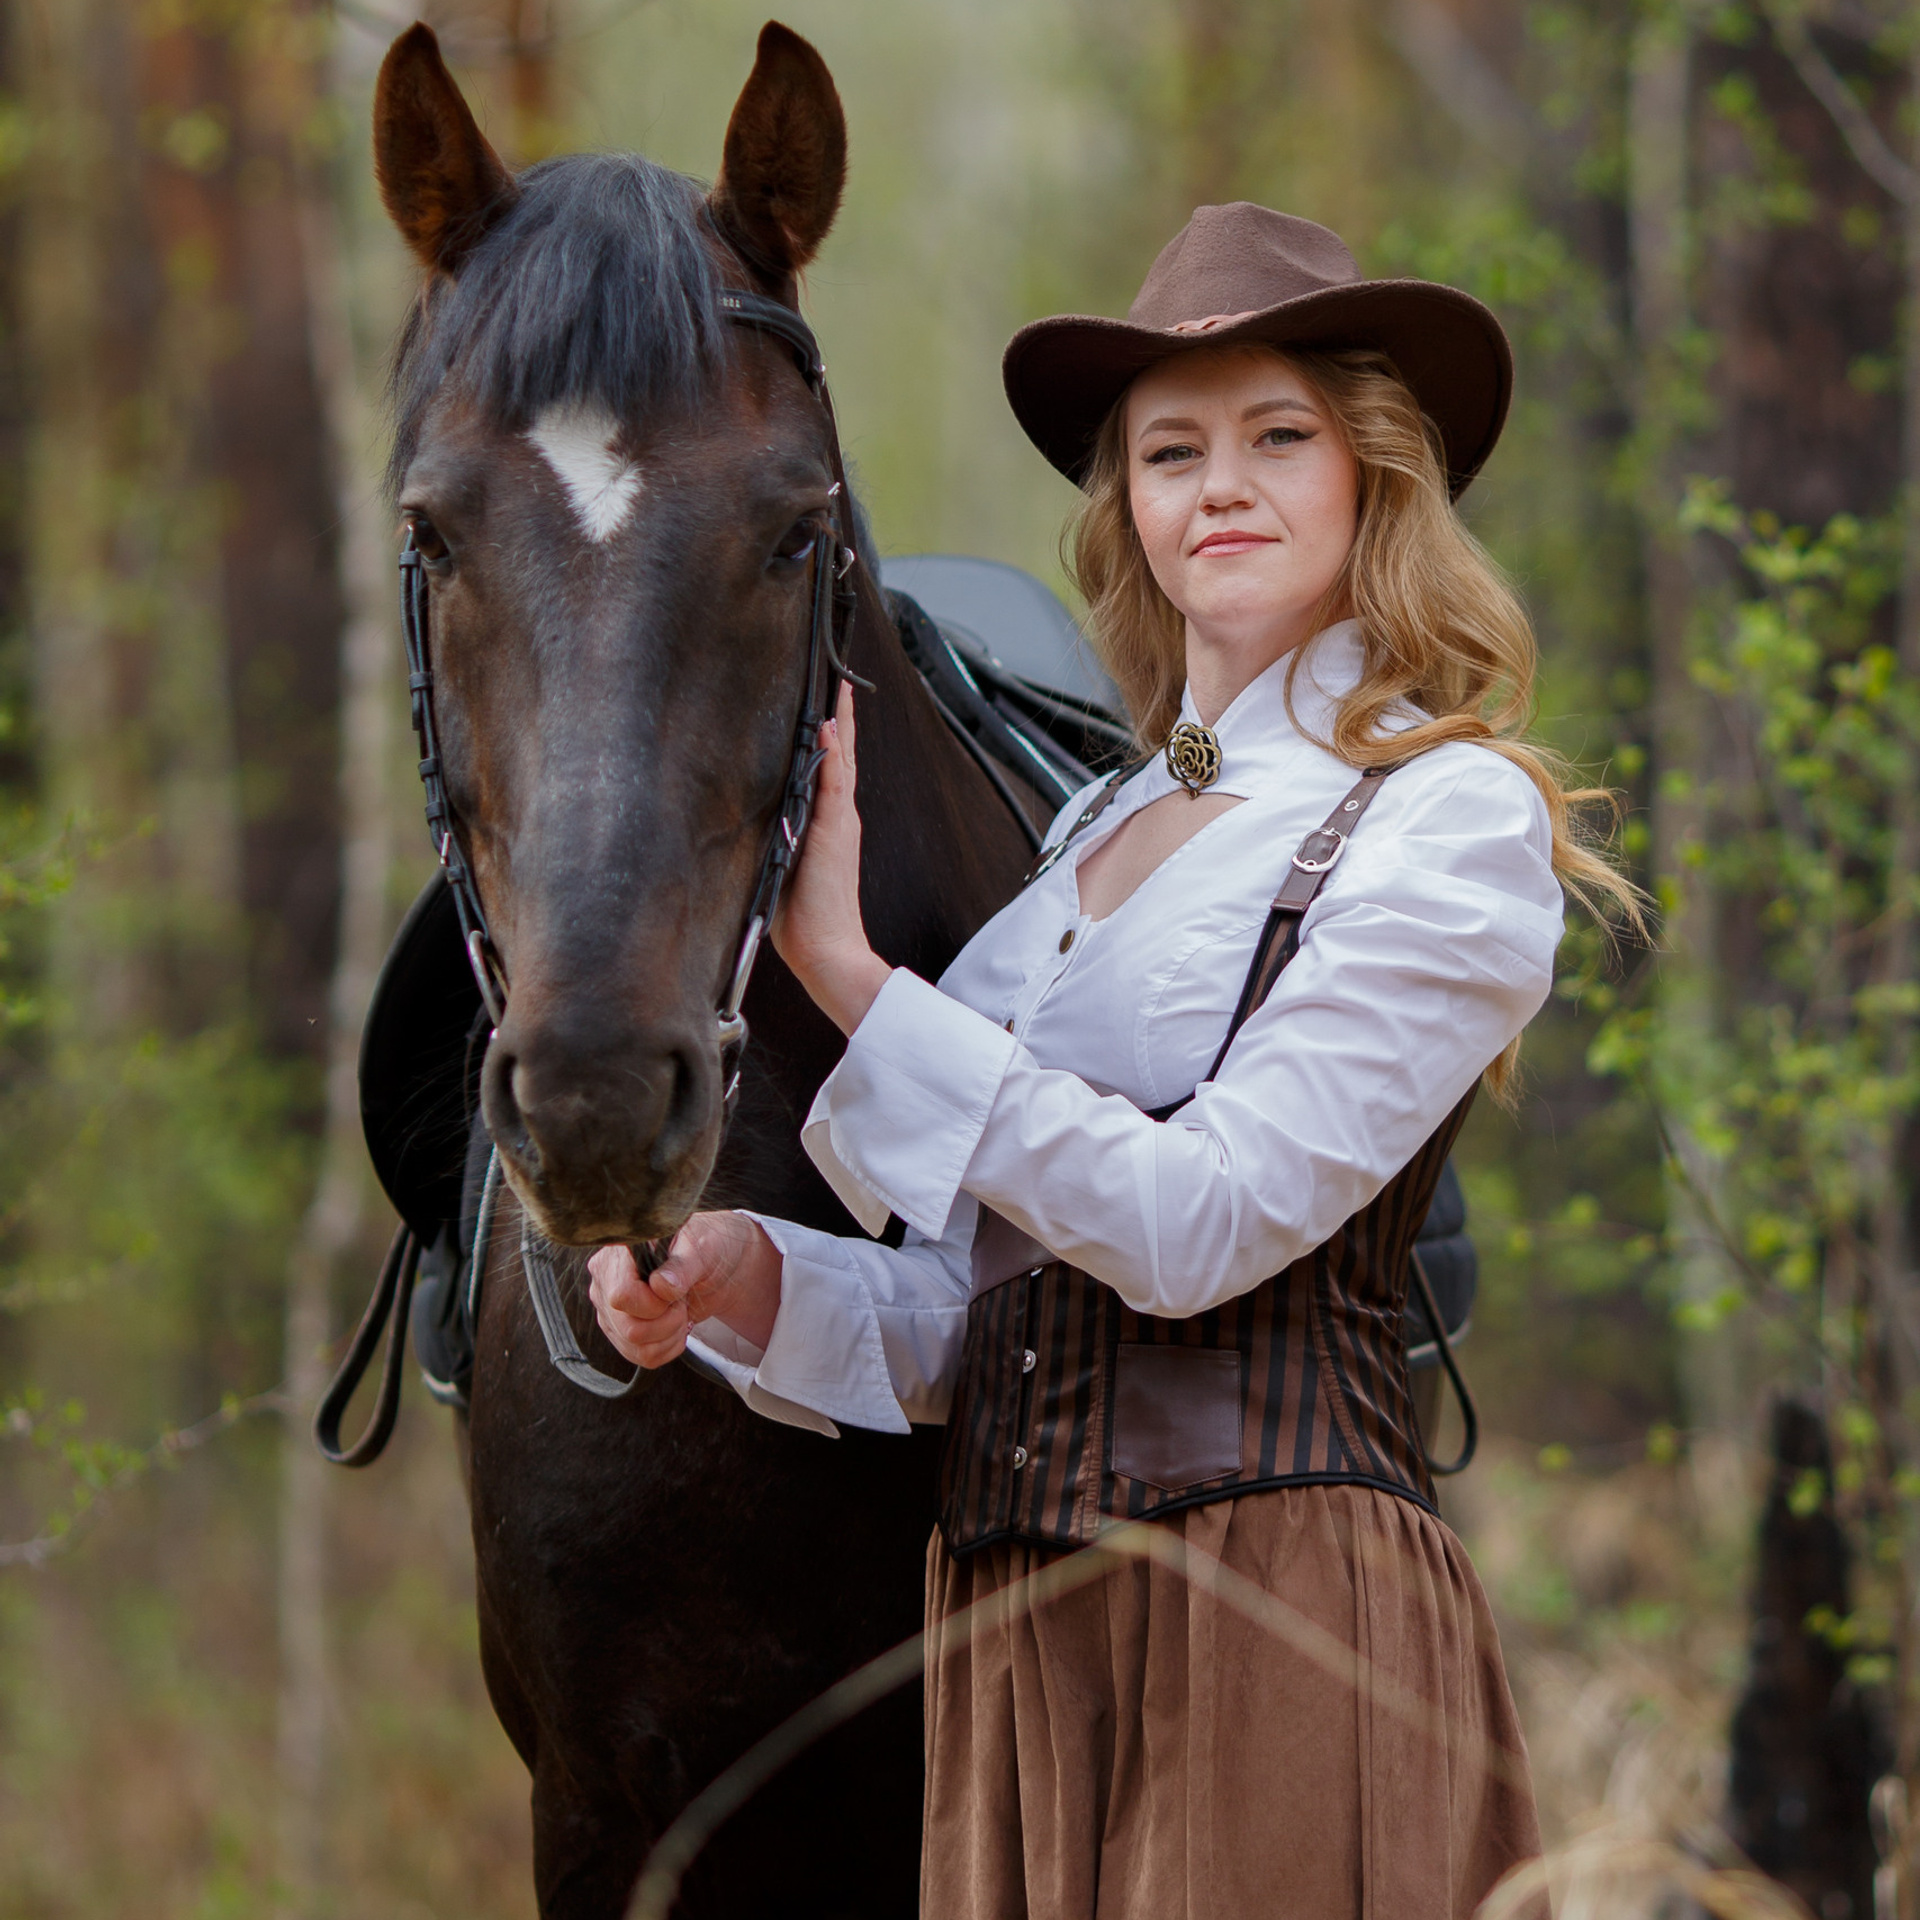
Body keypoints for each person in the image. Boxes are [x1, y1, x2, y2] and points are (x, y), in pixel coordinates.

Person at [590, 202, 1632, 1917]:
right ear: (1129, 510)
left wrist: (851, 980)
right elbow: (974, 1321)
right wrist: (741, 1279)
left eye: (1275, 437)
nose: (1217, 485)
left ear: (1373, 475)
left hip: (1272, 1607)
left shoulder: (1441, 813)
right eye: (1170, 452)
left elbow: (1190, 1225)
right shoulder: (1100, 828)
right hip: (1015, 1639)